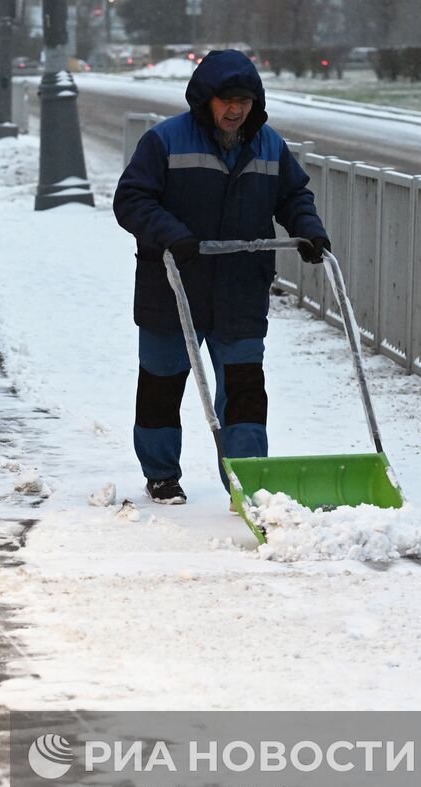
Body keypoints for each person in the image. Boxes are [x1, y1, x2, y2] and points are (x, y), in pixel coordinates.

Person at [113, 49, 329, 506]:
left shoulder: (269, 146)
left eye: (245, 101)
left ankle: (247, 479)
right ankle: (161, 474)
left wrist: (307, 230)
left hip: (240, 291)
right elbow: (131, 199)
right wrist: (173, 235)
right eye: (227, 101)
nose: (236, 110)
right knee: (161, 383)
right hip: (171, 287)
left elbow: (293, 195)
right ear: (205, 100)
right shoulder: (165, 142)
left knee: (246, 389)